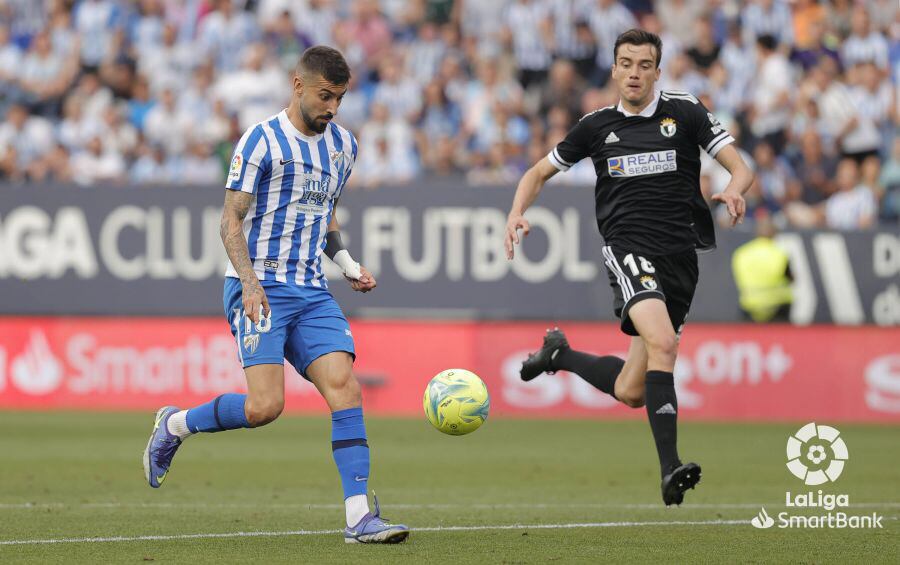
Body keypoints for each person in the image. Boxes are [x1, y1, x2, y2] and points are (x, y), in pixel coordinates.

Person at [142, 46, 409, 545]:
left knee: (345, 388)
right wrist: (248, 282)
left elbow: (324, 214)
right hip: (258, 284)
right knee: (265, 407)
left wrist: (348, 265)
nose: (332, 108)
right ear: (298, 85)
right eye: (325, 96)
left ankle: (358, 518)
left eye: (341, 98)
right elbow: (230, 221)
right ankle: (175, 425)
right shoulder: (261, 141)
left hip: (311, 290)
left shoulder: (344, 146)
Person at [504, 29, 754, 506]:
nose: (634, 73)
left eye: (644, 65)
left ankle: (558, 356)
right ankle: (669, 469)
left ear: (657, 71)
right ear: (614, 69)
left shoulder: (685, 111)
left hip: (681, 259)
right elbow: (537, 173)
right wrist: (517, 212)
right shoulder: (596, 126)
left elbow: (738, 166)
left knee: (632, 389)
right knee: (664, 342)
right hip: (628, 249)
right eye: (626, 63)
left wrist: (737, 187)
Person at [731, 212, 793, 322]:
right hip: (777, 305)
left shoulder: (741, 253)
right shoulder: (780, 253)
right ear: (774, 233)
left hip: (750, 304)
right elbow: (791, 278)